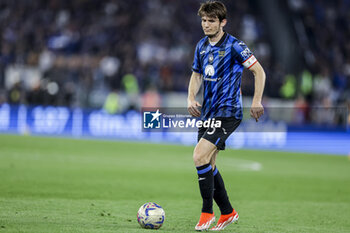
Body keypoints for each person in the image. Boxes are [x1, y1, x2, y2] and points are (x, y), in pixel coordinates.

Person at [187, 1, 265, 231]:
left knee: (199, 156)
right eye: (203, 20)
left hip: (228, 113)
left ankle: (206, 213)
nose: (206, 25)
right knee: (208, 164)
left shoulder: (235, 46)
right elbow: (196, 75)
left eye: (211, 21)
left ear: (223, 22)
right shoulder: (201, 46)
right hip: (207, 114)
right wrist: (191, 98)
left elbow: (258, 71)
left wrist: (257, 100)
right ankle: (229, 212)